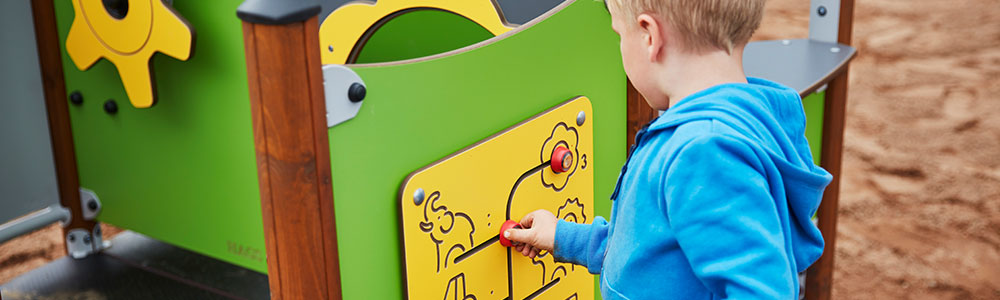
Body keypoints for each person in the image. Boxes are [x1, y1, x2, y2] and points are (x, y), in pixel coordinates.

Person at [503, 0, 833, 298]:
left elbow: (762, 290)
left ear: (650, 37)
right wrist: (564, 237)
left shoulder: (706, 151)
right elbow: (649, 250)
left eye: (620, 34)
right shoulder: (735, 125)